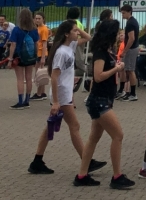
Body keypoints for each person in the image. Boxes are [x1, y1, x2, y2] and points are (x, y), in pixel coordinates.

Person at [28, 20, 108, 176]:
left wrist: (76, 27)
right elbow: (54, 77)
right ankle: (87, 160)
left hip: (65, 93)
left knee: (50, 127)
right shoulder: (61, 53)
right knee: (75, 126)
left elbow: (88, 38)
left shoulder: (69, 46)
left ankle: (37, 160)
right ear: (66, 34)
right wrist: (56, 101)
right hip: (62, 94)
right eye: (73, 31)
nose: (77, 33)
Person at [74, 18, 134, 189]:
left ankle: (82, 174)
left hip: (104, 99)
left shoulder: (108, 52)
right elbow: (98, 76)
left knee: (94, 138)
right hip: (99, 101)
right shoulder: (100, 52)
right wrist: (116, 69)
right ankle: (117, 176)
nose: (118, 37)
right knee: (118, 135)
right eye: (116, 33)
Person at [8, 8, 39, 109]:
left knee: (20, 79)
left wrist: (10, 58)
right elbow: (36, 44)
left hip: (19, 56)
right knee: (29, 78)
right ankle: (27, 100)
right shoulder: (34, 30)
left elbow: (13, 44)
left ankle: (20, 101)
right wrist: (35, 55)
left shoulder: (17, 29)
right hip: (30, 57)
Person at [117, 4, 140, 101]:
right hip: (133, 48)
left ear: (129, 12)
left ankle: (133, 93)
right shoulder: (132, 21)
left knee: (130, 70)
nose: (122, 15)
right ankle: (124, 90)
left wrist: (125, 51)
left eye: (123, 13)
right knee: (126, 69)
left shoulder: (130, 23)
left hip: (131, 48)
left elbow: (131, 38)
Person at [31, 13, 50, 100]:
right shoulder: (37, 28)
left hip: (41, 52)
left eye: (39, 18)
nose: (37, 20)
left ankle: (39, 93)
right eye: (36, 18)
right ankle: (42, 92)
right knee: (40, 73)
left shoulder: (44, 29)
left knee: (39, 73)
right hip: (37, 52)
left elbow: (45, 43)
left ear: (43, 19)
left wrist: (43, 57)